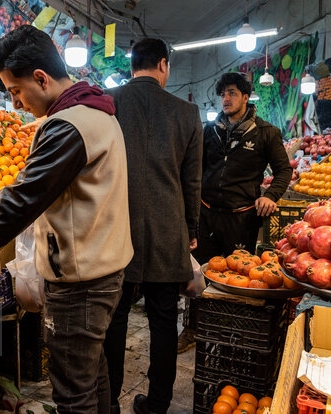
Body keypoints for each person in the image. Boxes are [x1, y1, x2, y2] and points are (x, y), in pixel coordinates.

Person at [0, 25, 133, 414]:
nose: (15, 104)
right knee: (92, 373)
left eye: (16, 92)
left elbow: (16, 206)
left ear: (40, 78)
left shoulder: (68, 126)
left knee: (73, 392)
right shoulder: (96, 112)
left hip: (81, 281)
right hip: (103, 269)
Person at [102, 38, 203, 414]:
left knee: (115, 317)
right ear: (163, 65)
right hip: (167, 229)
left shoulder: (107, 102)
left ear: (132, 65)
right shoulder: (187, 112)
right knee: (164, 321)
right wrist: (190, 228)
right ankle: (157, 403)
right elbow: (192, 181)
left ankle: (108, 401)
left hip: (115, 228)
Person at [177, 72, 292, 352]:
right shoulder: (209, 131)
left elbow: (284, 170)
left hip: (242, 218)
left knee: (236, 276)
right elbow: (194, 168)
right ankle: (193, 329)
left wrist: (271, 195)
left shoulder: (266, 133)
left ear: (244, 96)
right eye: (222, 94)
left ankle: (228, 329)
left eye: (231, 93)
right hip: (206, 214)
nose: (225, 99)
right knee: (199, 275)